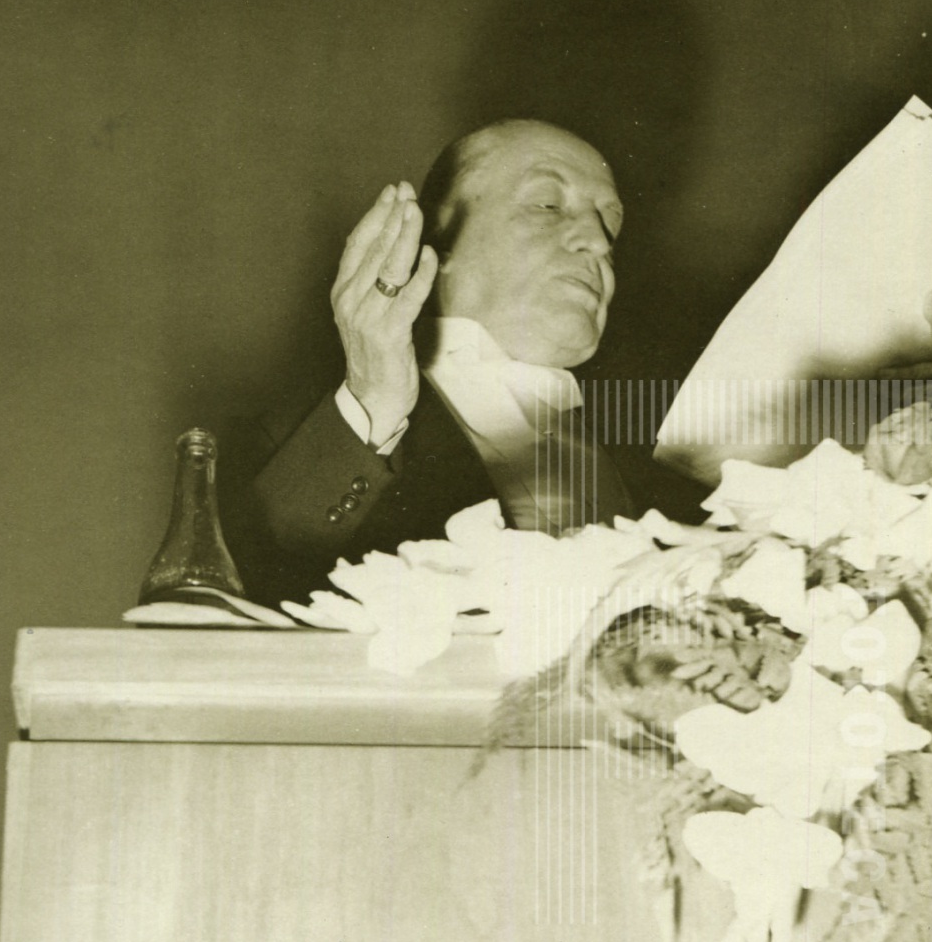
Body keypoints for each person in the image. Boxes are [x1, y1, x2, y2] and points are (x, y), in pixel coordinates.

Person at [232, 119, 697, 604]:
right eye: (547, 205)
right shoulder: (298, 436)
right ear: (439, 237)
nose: (599, 242)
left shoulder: (672, 470)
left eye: (610, 224)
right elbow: (238, 586)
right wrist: (372, 403)